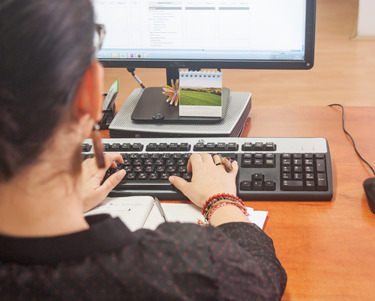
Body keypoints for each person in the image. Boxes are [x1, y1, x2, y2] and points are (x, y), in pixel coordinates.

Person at [0, 0, 287, 300]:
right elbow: (258, 281)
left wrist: (54, 204)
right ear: (89, 94)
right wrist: (222, 201)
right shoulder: (172, 269)